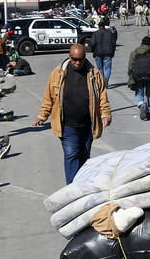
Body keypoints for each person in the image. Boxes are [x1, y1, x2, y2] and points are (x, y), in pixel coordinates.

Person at [34, 43, 112, 183]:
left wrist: (105, 114)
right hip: (67, 126)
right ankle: (71, 188)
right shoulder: (58, 73)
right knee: (71, 155)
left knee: (84, 157)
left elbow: (102, 96)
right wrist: (42, 115)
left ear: (84, 57)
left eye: (79, 59)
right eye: (73, 59)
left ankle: (81, 186)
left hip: (88, 125)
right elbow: (49, 97)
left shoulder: (93, 73)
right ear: (69, 57)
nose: (76, 62)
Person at [127, 35, 150, 121]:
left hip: (138, 76)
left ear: (141, 43)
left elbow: (130, 66)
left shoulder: (135, 52)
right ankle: (149, 111)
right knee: (149, 93)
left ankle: (141, 104)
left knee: (139, 92)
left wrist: (130, 75)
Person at [90, 18, 116, 83]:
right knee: (107, 68)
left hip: (98, 52)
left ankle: (102, 80)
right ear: (104, 26)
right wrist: (113, 52)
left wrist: (93, 52)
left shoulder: (95, 34)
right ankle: (106, 79)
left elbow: (92, 44)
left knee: (100, 68)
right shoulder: (110, 33)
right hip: (108, 52)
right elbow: (113, 44)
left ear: (99, 27)